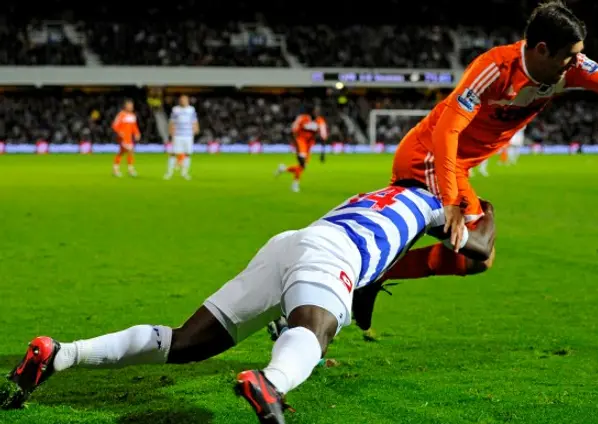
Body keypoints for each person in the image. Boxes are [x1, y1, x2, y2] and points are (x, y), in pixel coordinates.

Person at [4, 183, 494, 423]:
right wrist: (483, 211)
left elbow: (365, 297)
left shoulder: (376, 194)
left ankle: (60, 353)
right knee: (315, 332)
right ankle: (271, 382)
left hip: (292, 243)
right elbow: (479, 249)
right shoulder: (436, 204)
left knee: (186, 342)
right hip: (334, 255)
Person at [347, 0, 598, 334]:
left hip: (458, 167)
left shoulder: (570, 69)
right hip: (429, 156)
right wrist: (449, 200)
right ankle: (354, 272)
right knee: (478, 246)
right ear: (542, 49)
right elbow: (447, 130)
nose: (577, 62)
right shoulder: (495, 69)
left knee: (479, 260)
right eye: (570, 55)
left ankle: (372, 276)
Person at [275, 105, 327, 193]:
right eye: (315, 111)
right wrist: (295, 144)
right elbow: (294, 130)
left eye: (318, 111)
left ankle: (283, 169)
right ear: (311, 112)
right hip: (300, 141)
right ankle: (295, 185)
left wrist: (322, 154)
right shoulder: (302, 118)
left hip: (309, 145)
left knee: (302, 166)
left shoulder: (320, 121)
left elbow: (323, 137)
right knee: (302, 163)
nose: (317, 113)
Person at [165, 95, 199, 180]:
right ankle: (169, 173)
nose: (183, 101)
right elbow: (172, 121)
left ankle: (184, 173)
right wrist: (171, 132)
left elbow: (194, 120)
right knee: (173, 153)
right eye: (181, 100)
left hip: (188, 135)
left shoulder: (191, 109)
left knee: (187, 153)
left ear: (187, 100)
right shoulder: (175, 109)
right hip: (178, 134)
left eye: (184, 100)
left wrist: (196, 128)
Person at [112, 99, 141, 177]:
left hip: (129, 138)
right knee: (130, 151)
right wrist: (119, 132)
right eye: (129, 105)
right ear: (125, 106)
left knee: (122, 152)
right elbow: (114, 125)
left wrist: (137, 133)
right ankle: (130, 169)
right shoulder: (121, 115)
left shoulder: (133, 116)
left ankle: (116, 168)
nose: (131, 107)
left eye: (132, 105)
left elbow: (134, 126)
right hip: (122, 138)